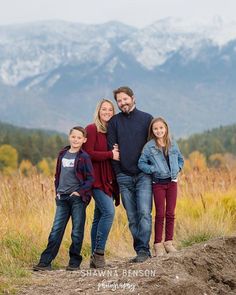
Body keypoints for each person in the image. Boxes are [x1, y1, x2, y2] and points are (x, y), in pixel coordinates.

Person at [33, 126, 94, 271]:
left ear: (84, 140)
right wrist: (57, 192)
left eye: (79, 138)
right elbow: (57, 175)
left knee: (77, 231)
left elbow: (90, 179)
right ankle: (45, 262)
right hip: (62, 198)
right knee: (56, 230)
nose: (76, 140)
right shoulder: (62, 154)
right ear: (69, 137)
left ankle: (74, 262)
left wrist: (79, 192)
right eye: (74, 136)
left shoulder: (84, 157)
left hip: (77, 199)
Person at [107, 86, 153, 263]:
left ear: (133, 98)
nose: (122, 103)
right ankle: (140, 249)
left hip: (143, 175)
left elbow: (153, 148)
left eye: (125, 99)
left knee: (144, 213)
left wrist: (150, 170)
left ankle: (144, 251)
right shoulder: (114, 122)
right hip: (124, 176)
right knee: (132, 216)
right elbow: (112, 149)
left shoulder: (146, 119)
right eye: (119, 101)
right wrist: (118, 173)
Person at [138, 117, 184, 256]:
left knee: (170, 213)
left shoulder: (173, 144)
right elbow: (141, 163)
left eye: (161, 128)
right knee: (160, 214)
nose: (159, 131)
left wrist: (178, 168)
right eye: (156, 128)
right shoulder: (149, 146)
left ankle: (168, 242)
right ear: (152, 130)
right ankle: (158, 244)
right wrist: (152, 169)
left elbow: (181, 159)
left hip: (172, 183)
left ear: (166, 129)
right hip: (158, 183)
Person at [83, 99, 120, 268]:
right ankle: (99, 253)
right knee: (108, 212)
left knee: (98, 218)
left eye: (110, 110)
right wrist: (110, 155)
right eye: (104, 109)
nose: (107, 112)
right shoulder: (91, 129)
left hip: (109, 179)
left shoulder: (111, 131)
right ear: (98, 111)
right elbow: (88, 153)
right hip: (95, 179)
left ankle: (93, 258)